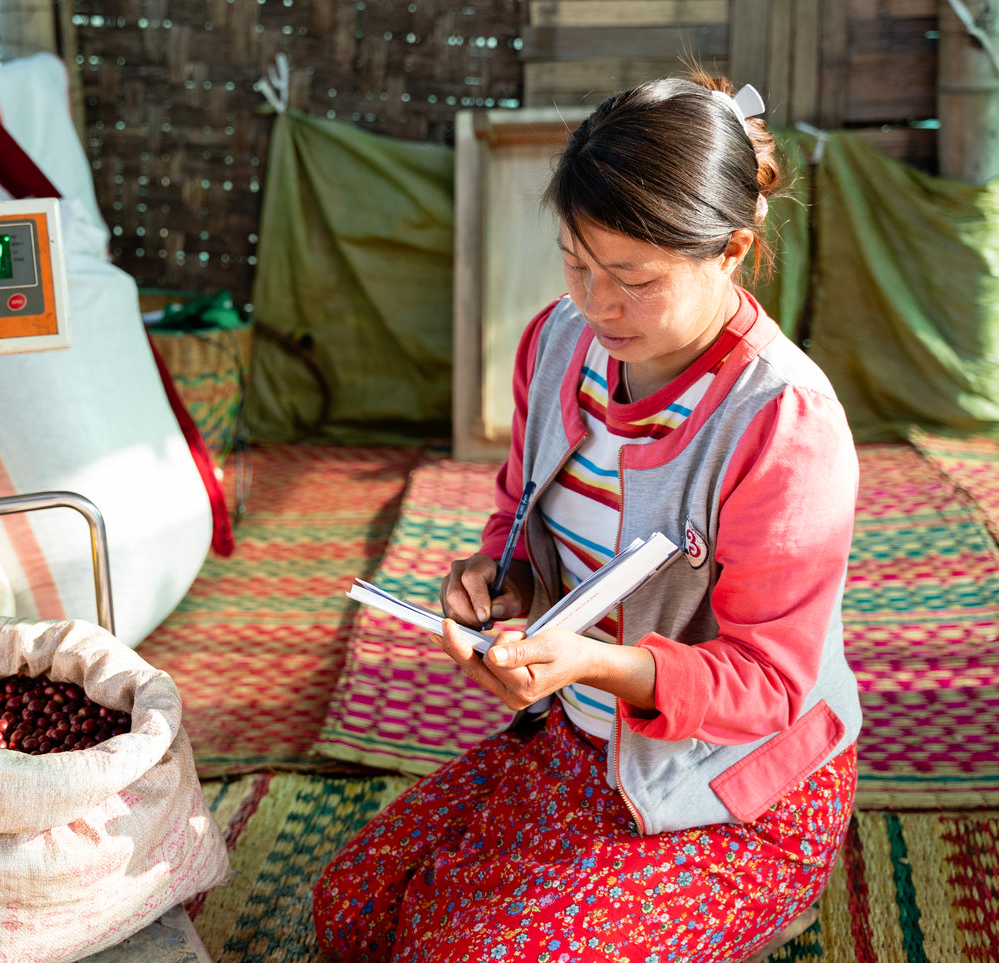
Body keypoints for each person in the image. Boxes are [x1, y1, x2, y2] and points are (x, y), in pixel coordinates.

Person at [312, 72, 862, 963]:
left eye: (635, 279)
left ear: (730, 248)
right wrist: (499, 583)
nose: (599, 303)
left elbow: (769, 684)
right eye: (577, 261)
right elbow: (515, 512)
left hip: (727, 785)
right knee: (352, 909)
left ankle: (774, 891)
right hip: (579, 740)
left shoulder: (782, 421)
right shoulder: (557, 343)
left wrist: (598, 664)